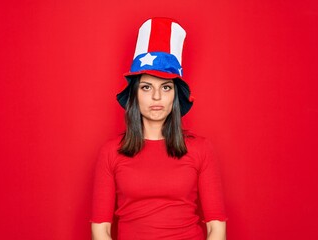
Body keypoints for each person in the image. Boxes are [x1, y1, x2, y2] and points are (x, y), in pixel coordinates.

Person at [90, 17, 227, 240]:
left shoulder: (201, 149)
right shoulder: (111, 151)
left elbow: (216, 227)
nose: (156, 96)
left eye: (165, 87)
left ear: (175, 95)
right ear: (134, 94)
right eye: (146, 87)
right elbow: (101, 230)